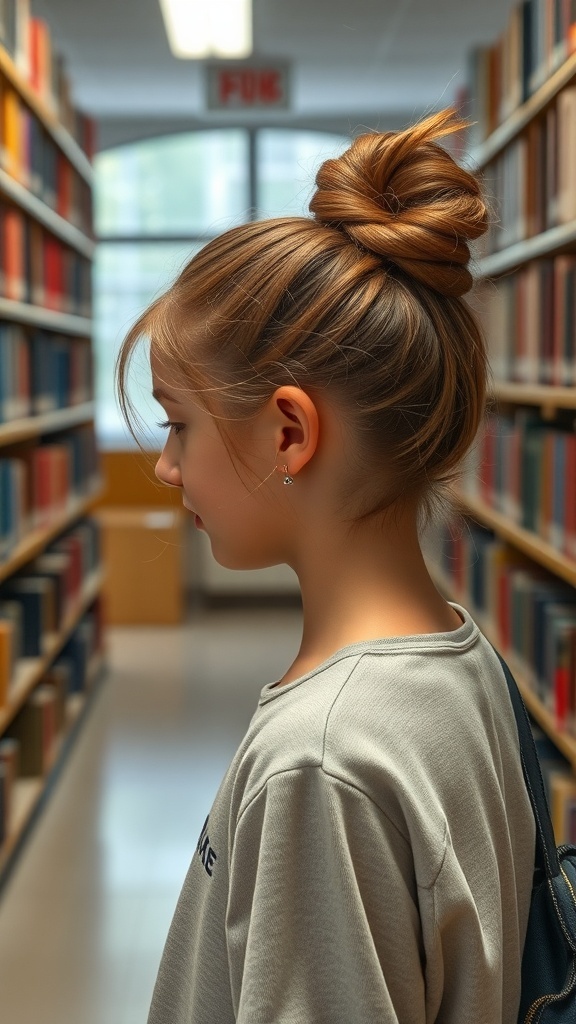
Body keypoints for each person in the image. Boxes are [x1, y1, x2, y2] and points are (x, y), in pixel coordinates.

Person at [116, 109, 535, 1024]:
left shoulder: (321, 760)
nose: (165, 464)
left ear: (289, 433)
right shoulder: (464, 664)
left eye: (179, 423)